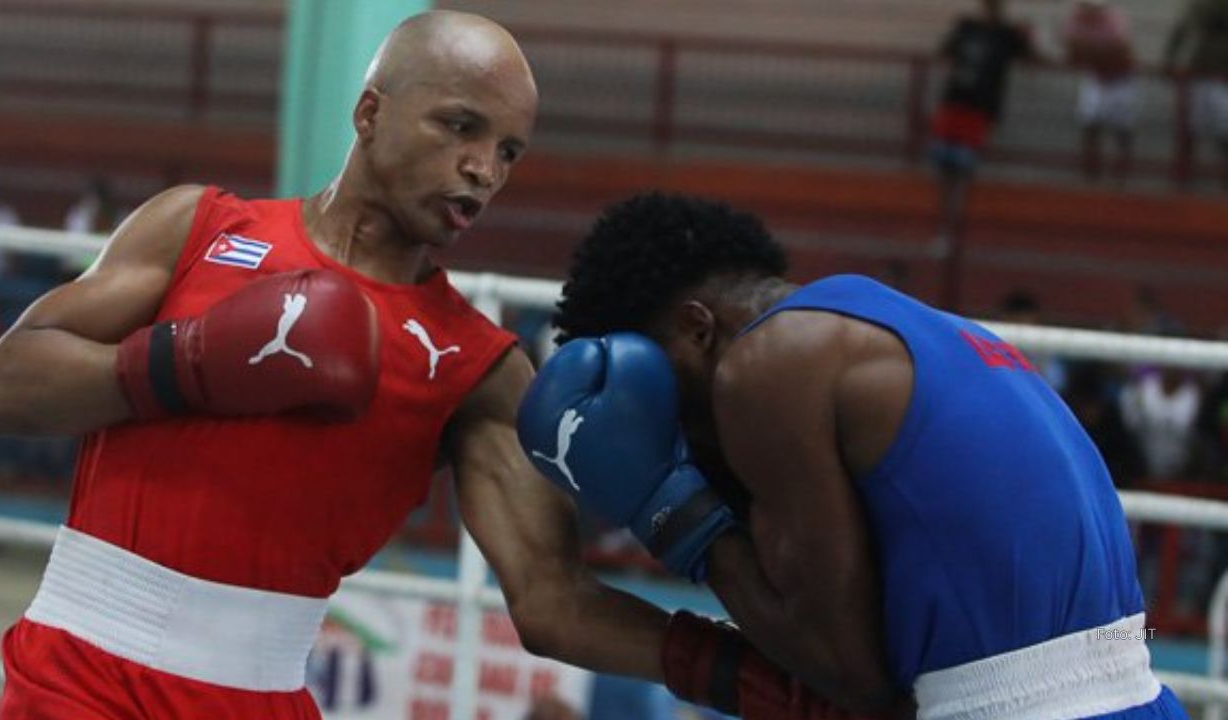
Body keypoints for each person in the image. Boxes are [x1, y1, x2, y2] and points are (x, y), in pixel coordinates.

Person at [0, 12, 857, 720]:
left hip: (257, 694)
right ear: (370, 114)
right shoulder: (201, 228)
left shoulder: (477, 370)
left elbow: (552, 602)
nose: (482, 169)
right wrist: (187, 364)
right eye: (460, 127)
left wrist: (750, 679)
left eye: (508, 151)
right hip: (75, 676)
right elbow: (8, 387)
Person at [517, 192, 1189, 718]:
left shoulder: (764, 364)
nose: (694, 437)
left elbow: (850, 674)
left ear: (697, 329)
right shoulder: (905, 324)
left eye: (680, 410)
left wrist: (671, 509)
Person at [929, 0, 1035, 247]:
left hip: (977, 112)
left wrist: (1027, 36)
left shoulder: (1007, 35)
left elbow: (1031, 59)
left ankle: (956, 229)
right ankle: (945, 227)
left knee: (963, 172)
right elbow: (944, 52)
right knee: (946, 170)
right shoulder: (967, 27)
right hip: (954, 105)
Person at [1063, 0, 1138, 186]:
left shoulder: (1114, 19)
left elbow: (1120, 51)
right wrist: (1097, 53)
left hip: (1120, 80)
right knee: (1089, 124)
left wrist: (1090, 52)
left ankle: (1121, 177)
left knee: (1122, 129)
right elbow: (1071, 51)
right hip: (1096, 78)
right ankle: (1091, 176)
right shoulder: (1076, 18)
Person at [1165, 0, 1228, 188]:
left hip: (1216, 74)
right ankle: (1184, 182)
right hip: (1204, 72)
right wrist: (1170, 59)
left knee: (1222, 136)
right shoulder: (1203, 5)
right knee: (1191, 131)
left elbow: (1182, 29)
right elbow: (1182, 29)